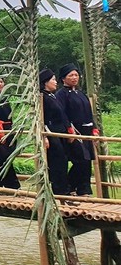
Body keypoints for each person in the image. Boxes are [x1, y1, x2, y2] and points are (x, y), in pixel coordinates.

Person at [56, 63, 99, 196]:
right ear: (63, 78)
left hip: (87, 131)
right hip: (74, 132)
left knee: (88, 161)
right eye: (71, 75)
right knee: (80, 160)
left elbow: (90, 113)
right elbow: (61, 114)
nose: (74, 77)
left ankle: (83, 189)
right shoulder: (61, 95)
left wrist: (95, 130)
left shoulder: (81, 94)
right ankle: (70, 185)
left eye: (76, 75)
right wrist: (69, 130)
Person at [39, 68, 75, 203]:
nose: (55, 82)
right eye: (53, 80)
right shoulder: (41, 97)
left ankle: (64, 193)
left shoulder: (52, 96)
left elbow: (63, 115)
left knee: (64, 161)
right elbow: (40, 118)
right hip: (51, 132)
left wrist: (69, 130)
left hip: (61, 132)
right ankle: (59, 193)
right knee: (57, 162)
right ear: (45, 82)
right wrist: (46, 136)